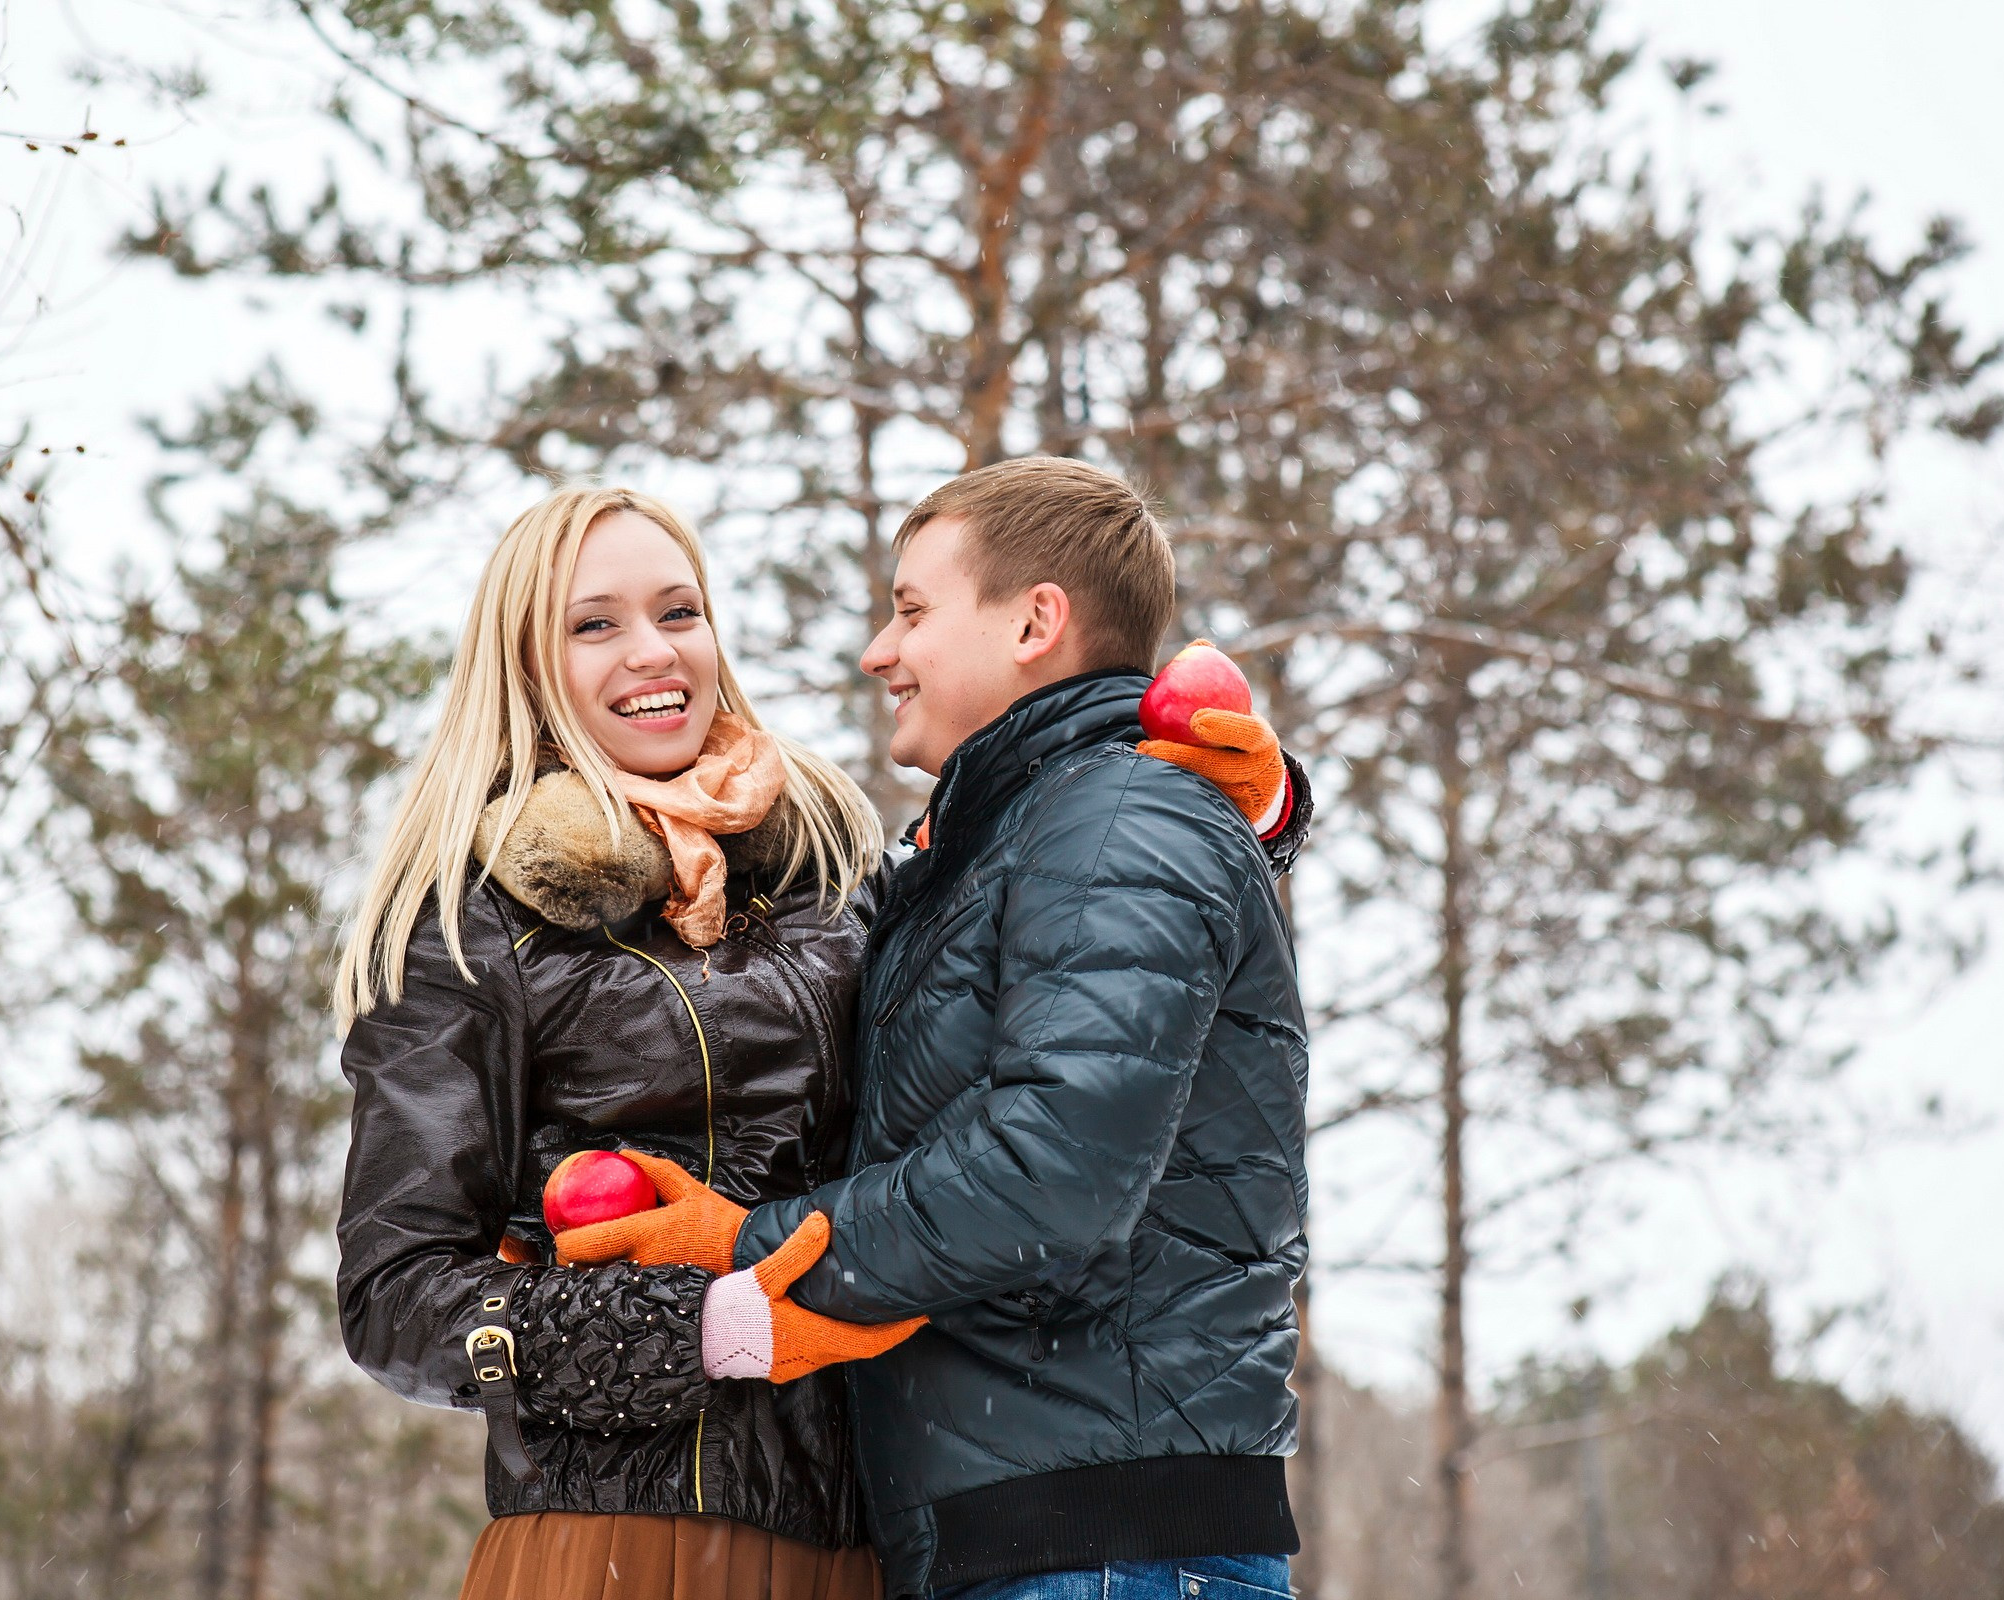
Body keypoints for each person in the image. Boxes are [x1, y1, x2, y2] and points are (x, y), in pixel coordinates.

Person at [330, 480, 1299, 1600]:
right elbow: (395, 1298)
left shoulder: (823, 876)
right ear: (527, 665)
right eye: (594, 624)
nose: (652, 651)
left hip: (881, 1540)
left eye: (679, 612)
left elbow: (1042, 973)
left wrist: (1236, 817)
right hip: (632, 1541)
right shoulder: (475, 923)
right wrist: (692, 1323)